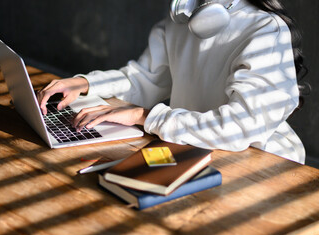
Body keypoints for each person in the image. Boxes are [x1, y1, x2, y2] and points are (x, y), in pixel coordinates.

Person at [37, 0, 308, 164]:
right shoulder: (183, 17)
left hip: (258, 159)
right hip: (189, 146)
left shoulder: (265, 29)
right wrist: (85, 84)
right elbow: (146, 79)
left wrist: (144, 116)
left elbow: (239, 128)